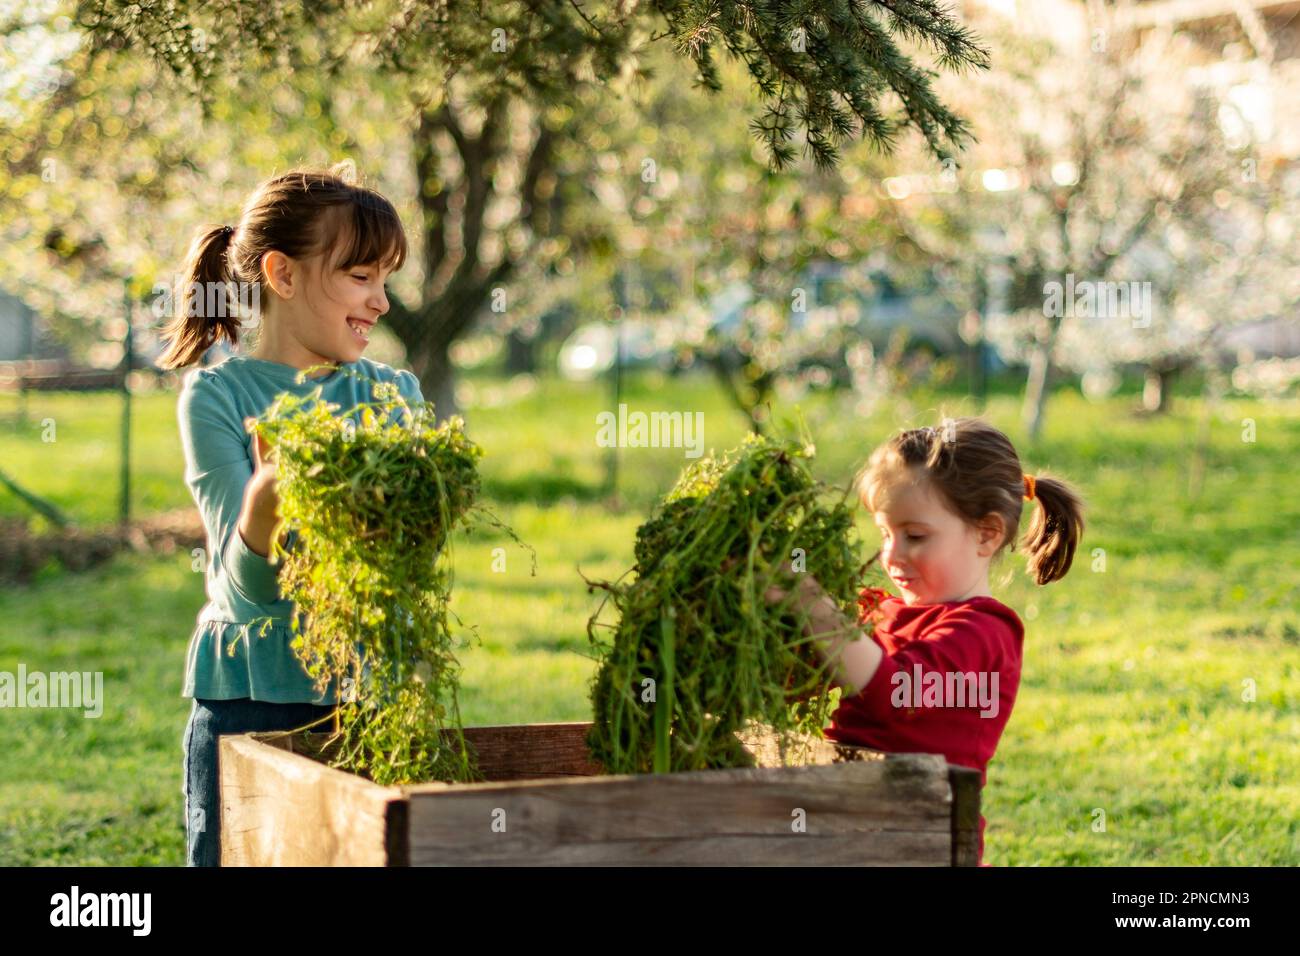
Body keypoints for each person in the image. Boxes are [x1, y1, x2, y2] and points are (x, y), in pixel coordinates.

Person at [158, 164, 422, 866]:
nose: (382, 301)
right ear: (282, 274)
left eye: (385, 279)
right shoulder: (219, 397)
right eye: (362, 276)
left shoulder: (396, 396)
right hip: (251, 702)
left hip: (371, 695)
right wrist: (268, 497)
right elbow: (246, 592)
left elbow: (408, 561)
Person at [766, 417, 1086, 864]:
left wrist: (812, 605)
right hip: (844, 831)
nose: (891, 555)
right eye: (884, 533)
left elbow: (893, 693)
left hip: (920, 847)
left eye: (915, 536)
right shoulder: (878, 611)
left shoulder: (983, 633)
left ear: (986, 533)